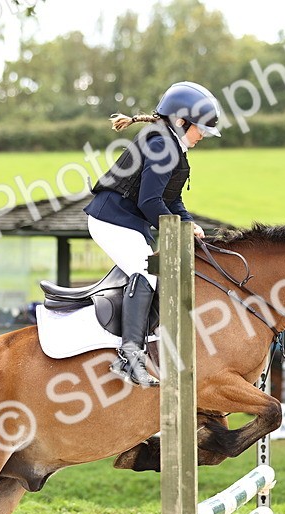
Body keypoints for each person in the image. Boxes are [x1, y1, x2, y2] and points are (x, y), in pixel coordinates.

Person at [83, 81, 222, 387]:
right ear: (181, 122)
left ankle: (148, 341)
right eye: (200, 129)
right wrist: (179, 227)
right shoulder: (161, 144)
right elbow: (149, 202)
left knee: (157, 273)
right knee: (147, 273)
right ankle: (130, 356)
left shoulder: (172, 145)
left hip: (127, 221)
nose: (203, 136)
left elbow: (171, 199)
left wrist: (190, 225)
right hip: (111, 219)